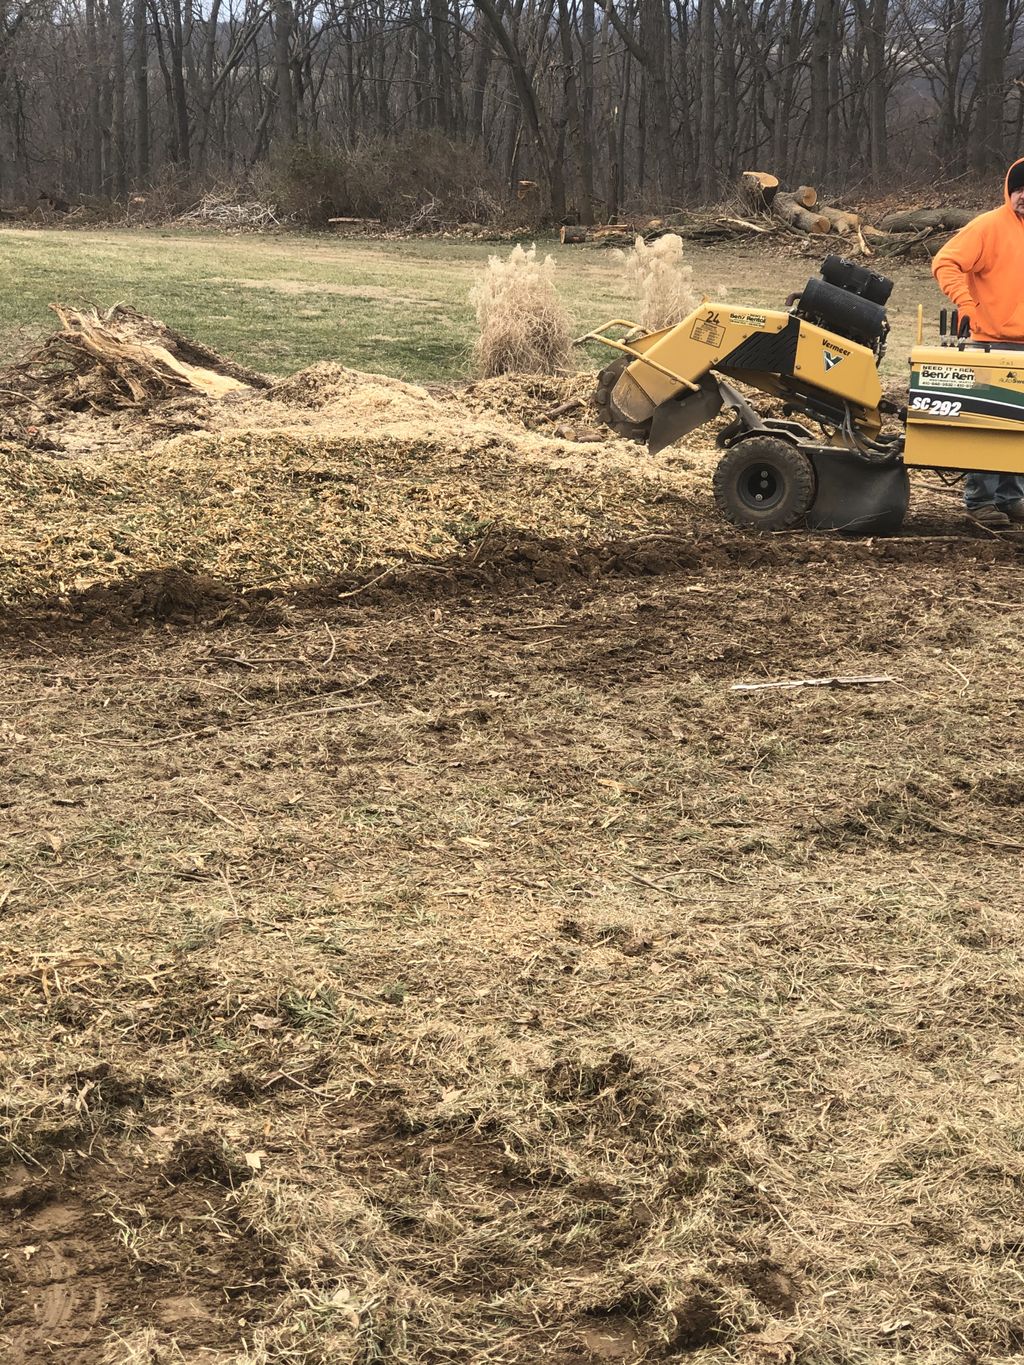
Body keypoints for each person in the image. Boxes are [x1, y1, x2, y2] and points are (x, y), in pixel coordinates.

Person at [932, 158, 1024, 527]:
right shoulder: (988, 227)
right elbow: (945, 261)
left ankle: (1011, 497)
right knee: (990, 423)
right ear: (1008, 191)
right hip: (991, 344)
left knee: (1019, 425)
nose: (1023, 197)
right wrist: (965, 303)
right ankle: (981, 501)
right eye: (1019, 190)